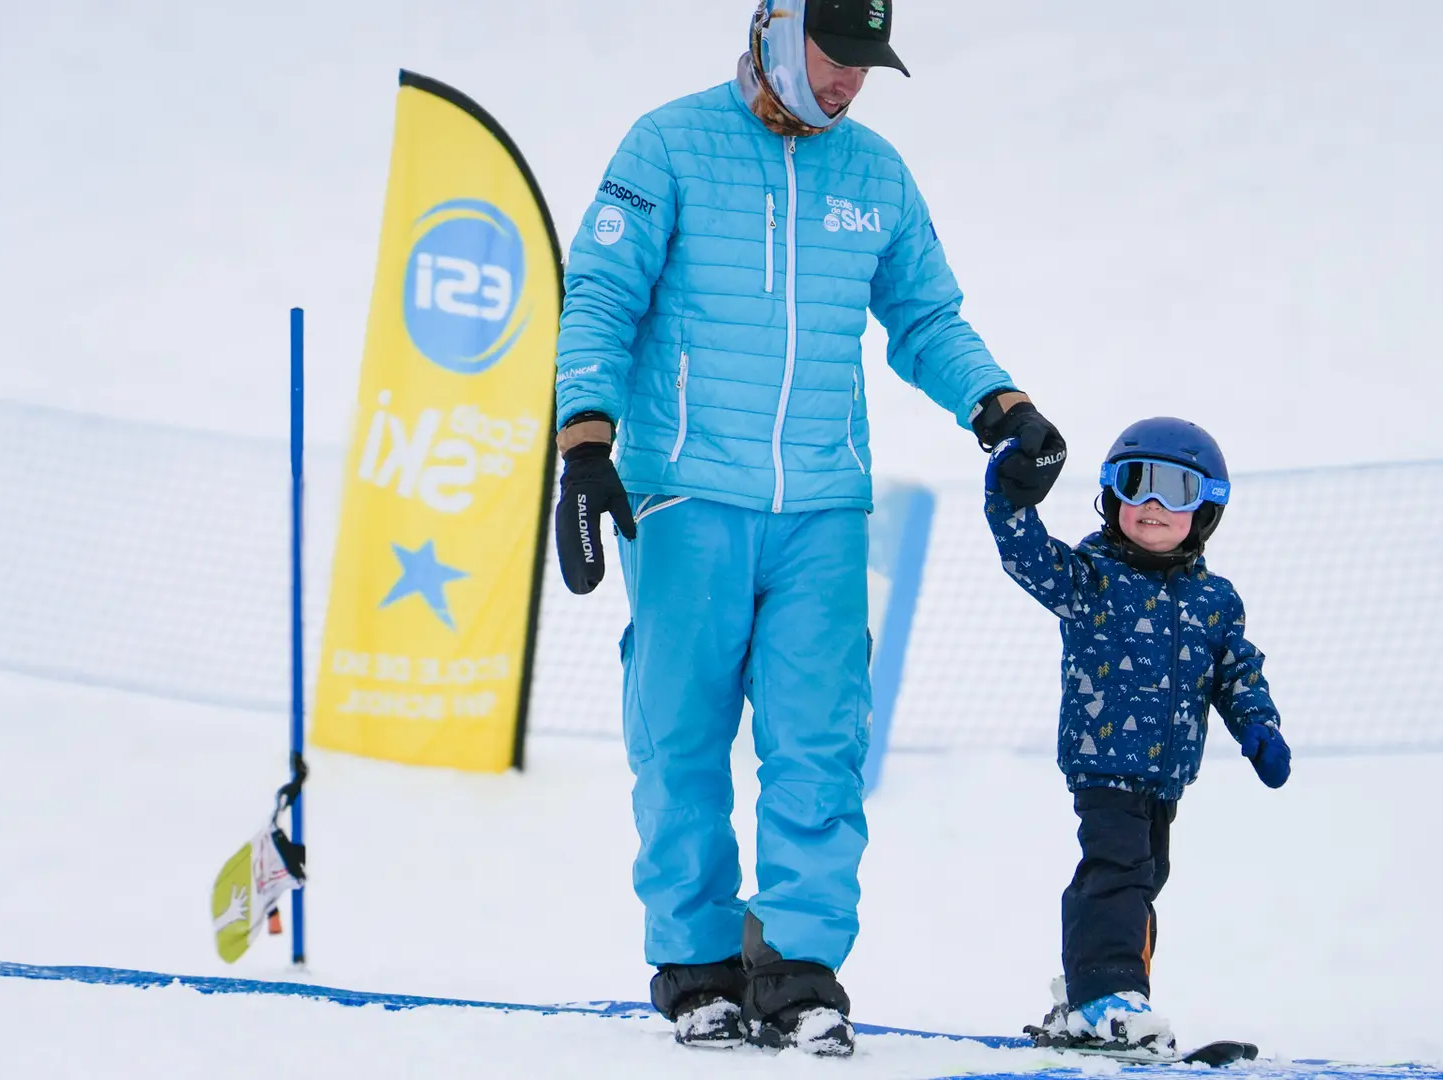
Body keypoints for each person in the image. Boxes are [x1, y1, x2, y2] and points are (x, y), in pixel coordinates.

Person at [549, 0, 1068, 1056]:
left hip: (823, 507)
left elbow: (924, 315)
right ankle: (697, 962)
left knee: (819, 746)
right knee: (683, 736)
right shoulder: (669, 146)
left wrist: (999, 406)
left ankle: (795, 967)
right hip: (688, 493)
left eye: (866, 67)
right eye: (836, 58)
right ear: (777, 35)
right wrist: (586, 444)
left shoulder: (872, 174)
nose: (849, 85)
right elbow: (600, 294)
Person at [985, 417, 1291, 1056]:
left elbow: (1237, 670)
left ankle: (1091, 1001)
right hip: (1104, 762)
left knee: (1143, 878)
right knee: (1118, 871)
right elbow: (1027, 557)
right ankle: (1108, 999)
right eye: (1137, 484)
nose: (1153, 504)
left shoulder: (1216, 600)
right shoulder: (1091, 576)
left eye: (1176, 491)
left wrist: (1258, 724)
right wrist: (1009, 498)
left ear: (1205, 509)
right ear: (1112, 496)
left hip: (1167, 773)